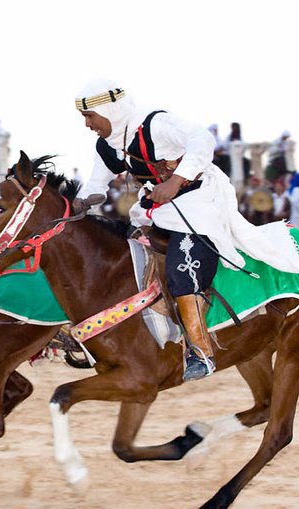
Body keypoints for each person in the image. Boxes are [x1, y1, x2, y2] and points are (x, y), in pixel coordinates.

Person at [74, 79, 299, 381]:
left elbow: (202, 140)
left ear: (109, 110)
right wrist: (80, 204)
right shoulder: (107, 145)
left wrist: (176, 180)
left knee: (184, 264)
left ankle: (200, 351)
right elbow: (96, 185)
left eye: (90, 117)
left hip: (199, 200)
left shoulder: (155, 124)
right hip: (155, 209)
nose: (88, 125)